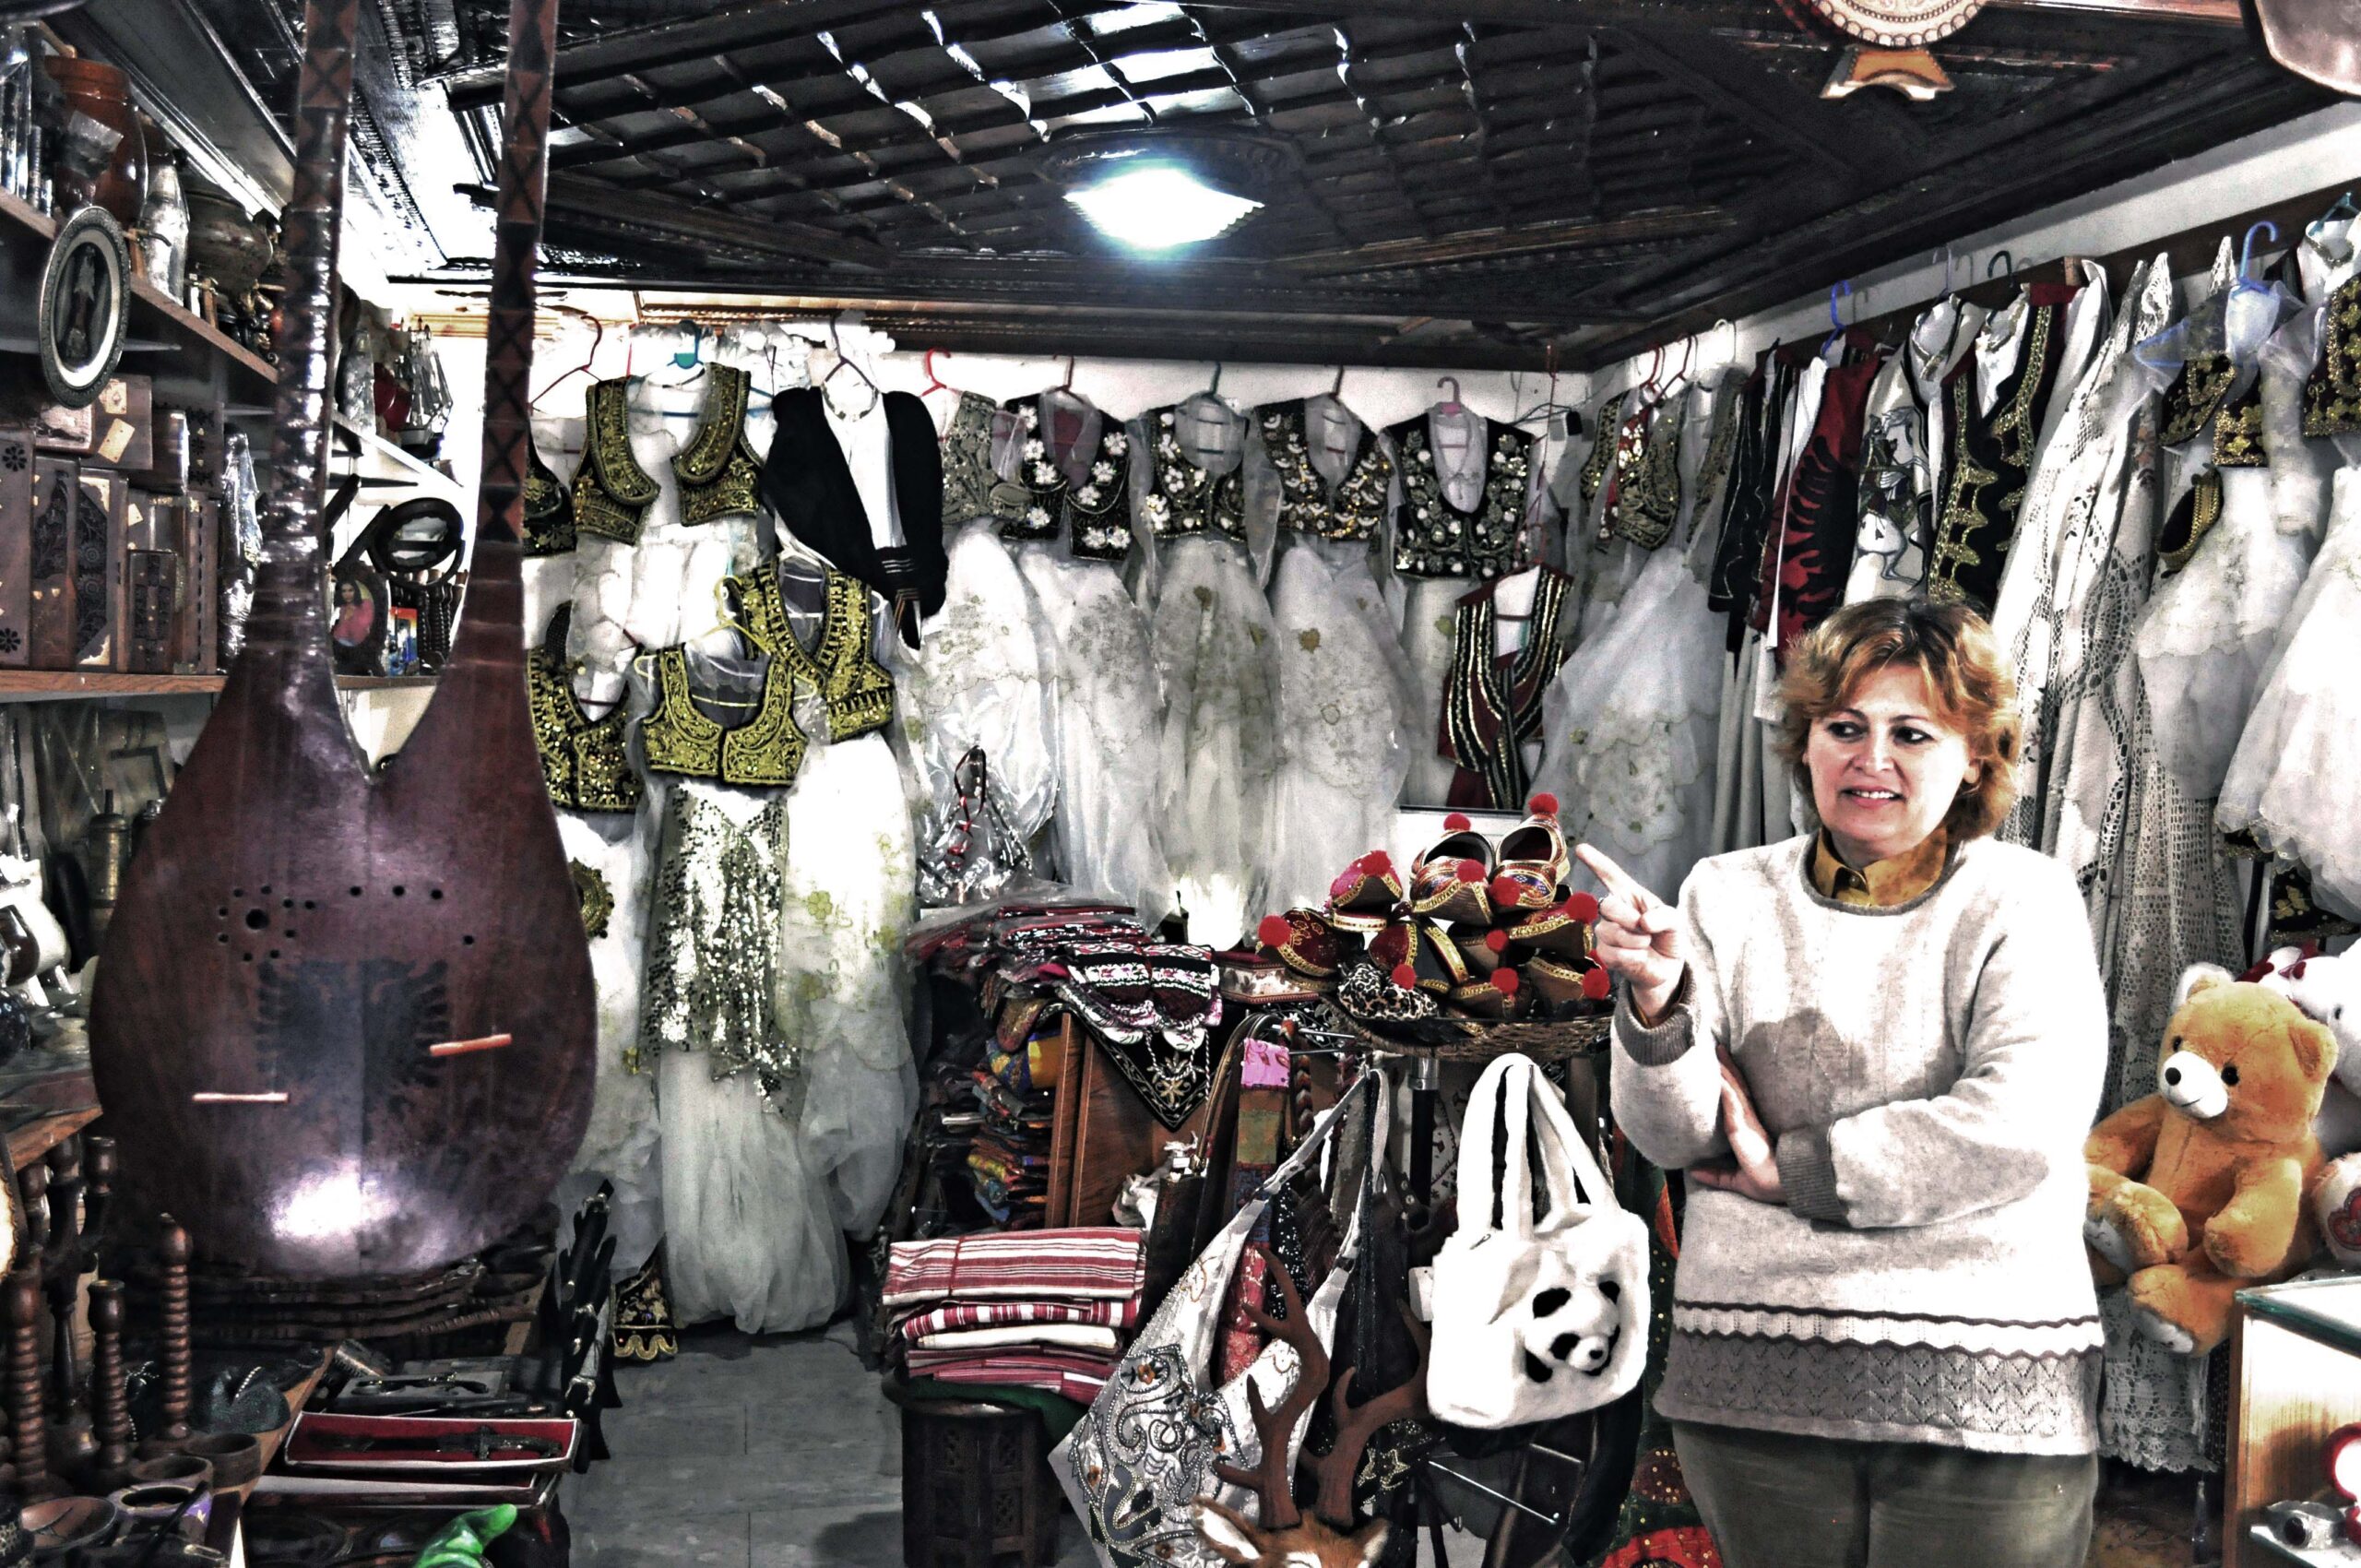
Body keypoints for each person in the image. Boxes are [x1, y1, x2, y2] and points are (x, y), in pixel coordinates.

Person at [1582, 597, 2106, 1568]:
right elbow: (1677, 1137)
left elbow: (2018, 1122)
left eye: (1912, 733)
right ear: (1806, 741)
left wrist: (1794, 1171)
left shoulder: (2023, 899)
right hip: (1752, 1388)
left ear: (1976, 757)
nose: (1872, 759)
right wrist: (1656, 1003)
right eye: (1844, 728)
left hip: (1983, 1393)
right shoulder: (1722, 893)